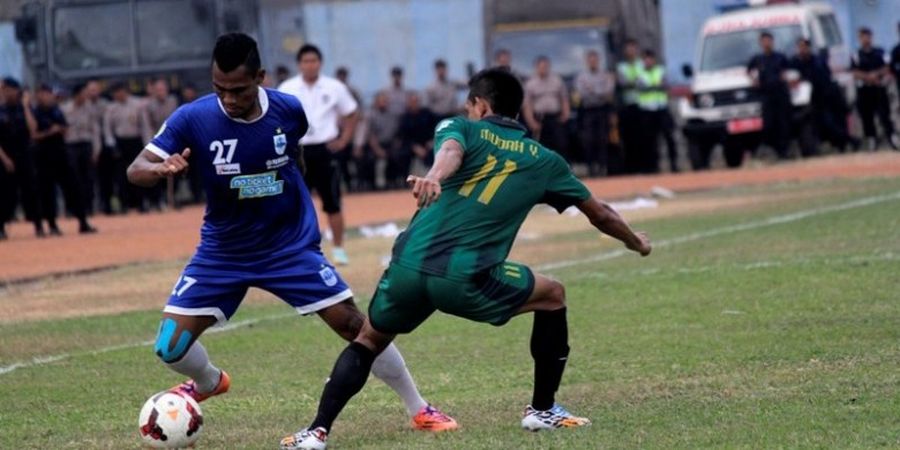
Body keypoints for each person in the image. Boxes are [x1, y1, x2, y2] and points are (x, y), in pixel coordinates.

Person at [279, 68, 651, 450]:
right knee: (553, 294)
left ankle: (316, 432)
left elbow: (451, 150)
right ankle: (543, 409)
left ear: (481, 104)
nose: (466, 110)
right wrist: (634, 241)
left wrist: (434, 176)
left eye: (468, 104)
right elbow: (600, 213)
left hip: (407, 264)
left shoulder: (462, 127)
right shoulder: (545, 160)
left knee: (369, 338)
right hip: (465, 276)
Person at [127, 33, 455, 437]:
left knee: (356, 324)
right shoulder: (192, 118)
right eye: (220, 89)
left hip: (288, 246)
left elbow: (293, 153)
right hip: (223, 251)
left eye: (239, 90)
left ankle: (420, 408)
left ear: (261, 78)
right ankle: (210, 382)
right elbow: (136, 167)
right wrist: (158, 171)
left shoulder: (288, 109)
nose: (228, 99)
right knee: (169, 346)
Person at [278, 44, 359, 265]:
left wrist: (344, 140)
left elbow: (352, 113)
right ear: (299, 64)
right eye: (305, 61)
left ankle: (339, 248)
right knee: (295, 202)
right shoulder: (287, 88)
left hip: (326, 149)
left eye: (314, 61)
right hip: (298, 150)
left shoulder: (334, 87)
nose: (310, 65)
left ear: (320, 63)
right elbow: (277, 118)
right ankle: (297, 249)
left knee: (332, 200)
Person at [23, 85, 96, 235]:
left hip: (61, 154)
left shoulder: (56, 110)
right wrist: (50, 131)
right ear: (38, 95)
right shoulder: (34, 112)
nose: (47, 97)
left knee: (74, 188)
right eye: (43, 94)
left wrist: (56, 130)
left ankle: (83, 222)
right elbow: (33, 133)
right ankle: (51, 225)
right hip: (42, 156)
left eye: (48, 94)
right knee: (46, 193)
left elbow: (64, 128)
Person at [0, 77, 43, 237]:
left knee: (31, 191)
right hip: (6, 157)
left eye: (8, 89)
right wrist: (5, 159)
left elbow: (33, 130)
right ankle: (2, 227)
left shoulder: (24, 108)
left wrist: (25, 105)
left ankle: (38, 226)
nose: (5, 92)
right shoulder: (1, 110)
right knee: (5, 194)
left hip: (25, 155)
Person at [104, 82, 152, 213]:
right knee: (121, 176)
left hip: (135, 141)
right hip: (120, 142)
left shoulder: (138, 104)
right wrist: (112, 145)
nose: (118, 94)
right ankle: (124, 204)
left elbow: (144, 125)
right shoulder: (111, 108)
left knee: (139, 172)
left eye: (120, 91)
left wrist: (148, 144)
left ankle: (141, 203)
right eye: (115, 92)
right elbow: (108, 129)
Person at [747, 31, 792, 159]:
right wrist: (754, 80)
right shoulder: (758, 59)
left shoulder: (780, 57)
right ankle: (774, 149)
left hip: (781, 94)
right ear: (760, 43)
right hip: (766, 95)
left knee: (783, 123)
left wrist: (785, 77)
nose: (766, 43)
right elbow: (749, 71)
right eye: (764, 41)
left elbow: (788, 70)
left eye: (768, 41)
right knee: (768, 124)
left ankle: (784, 152)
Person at [852, 27, 898, 150]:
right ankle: (871, 139)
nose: (865, 39)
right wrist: (867, 77)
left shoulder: (880, 52)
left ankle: (892, 137)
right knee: (867, 116)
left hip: (879, 88)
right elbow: (854, 72)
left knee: (884, 114)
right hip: (864, 89)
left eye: (867, 36)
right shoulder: (856, 55)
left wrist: (876, 75)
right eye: (862, 37)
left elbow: (887, 67)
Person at [61, 82, 102, 214]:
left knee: (88, 179)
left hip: (86, 145)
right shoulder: (65, 109)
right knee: (73, 179)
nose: (86, 96)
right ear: (77, 95)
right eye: (83, 93)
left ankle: (88, 207)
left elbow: (95, 130)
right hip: (71, 146)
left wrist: (96, 150)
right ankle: (72, 208)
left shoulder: (90, 109)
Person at [574, 50, 615, 176]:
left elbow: (608, 92)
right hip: (588, 111)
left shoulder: (605, 75)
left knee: (603, 139)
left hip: (602, 110)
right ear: (587, 61)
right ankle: (591, 169)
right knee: (589, 140)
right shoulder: (581, 77)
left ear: (598, 61)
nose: (593, 62)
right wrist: (598, 91)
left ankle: (603, 168)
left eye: (595, 59)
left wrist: (593, 90)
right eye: (590, 60)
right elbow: (582, 93)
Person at [522, 56, 570, 158]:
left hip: (555, 117)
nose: (543, 69)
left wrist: (566, 113)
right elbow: (527, 105)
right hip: (539, 118)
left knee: (561, 143)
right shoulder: (530, 83)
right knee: (541, 146)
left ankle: (561, 169)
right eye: (541, 67)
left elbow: (564, 98)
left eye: (545, 66)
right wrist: (531, 121)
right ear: (536, 67)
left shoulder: (557, 80)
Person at [146, 78, 179, 210]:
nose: (161, 92)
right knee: (157, 172)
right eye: (158, 90)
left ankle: (172, 198)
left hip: (173, 139)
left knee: (175, 170)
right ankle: (158, 201)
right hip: (156, 141)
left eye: (163, 89)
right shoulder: (149, 105)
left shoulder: (173, 101)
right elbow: (147, 125)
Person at [362, 91, 400, 190]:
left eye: (385, 101)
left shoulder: (393, 115)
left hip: (389, 144)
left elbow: (396, 133)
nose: (384, 103)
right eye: (382, 101)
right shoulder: (370, 115)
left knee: (398, 155)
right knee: (368, 159)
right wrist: (378, 150)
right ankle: (372, 184)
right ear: (376, 102)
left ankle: (393, 182)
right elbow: (370, 135)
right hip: (375, 145)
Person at [617, 39, 644, 173]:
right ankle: (631, 169)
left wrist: (634, 83)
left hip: (643, 105)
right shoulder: (621, 67)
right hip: (628, 106)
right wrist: (636, 82)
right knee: (629, 139)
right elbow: (623, 82)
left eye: (633, 48)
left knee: (643, 138)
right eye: (628, 49)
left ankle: (645, 167)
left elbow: (644, 81)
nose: (630, 51)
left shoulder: (642, 64)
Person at [398, 92, 438, 176]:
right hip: (412, 146)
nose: (414, 104)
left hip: (428, 143)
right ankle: (405, 178)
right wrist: (414, 147)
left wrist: (432, 141)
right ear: (408, 103)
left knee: (435, 151)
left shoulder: (427, 114)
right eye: (412, 102)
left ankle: (433, 176)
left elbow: (436, 127)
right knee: (402, 155)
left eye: (416, 101)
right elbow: (404, 137)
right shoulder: (404, 118)